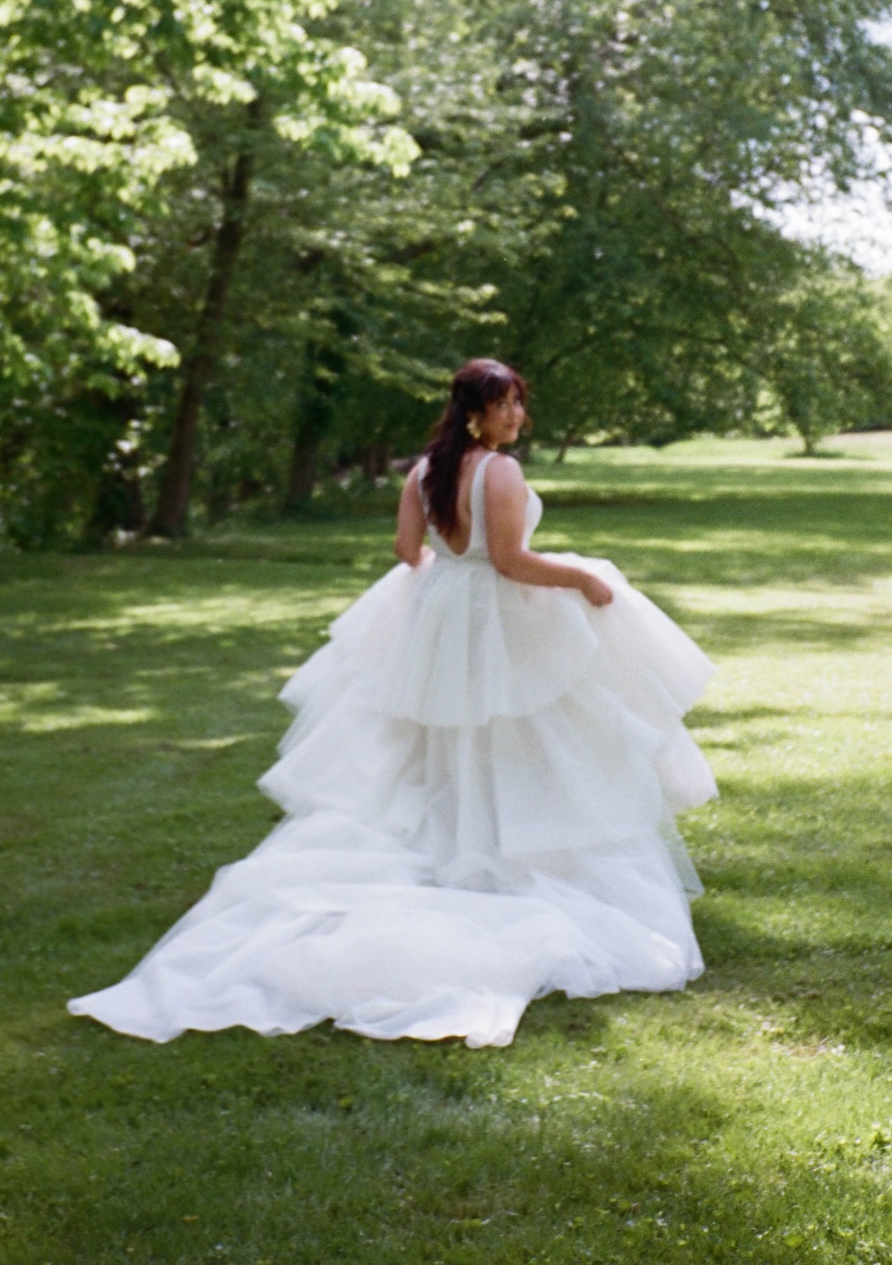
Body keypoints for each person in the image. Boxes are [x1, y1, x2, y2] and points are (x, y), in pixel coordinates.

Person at [69, 358, 717, 1049]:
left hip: (440, 613)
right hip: (492, 613)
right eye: (505, 407)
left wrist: (451, 578)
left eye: (518, 405)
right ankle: (496, 848)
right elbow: (510, 561)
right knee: (508, 729)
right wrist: (583, 577)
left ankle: (457, 841)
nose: (516, 418)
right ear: (476, 411)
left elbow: (410, 551)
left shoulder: (424, 469)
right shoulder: (500, 471)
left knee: (447, 734)